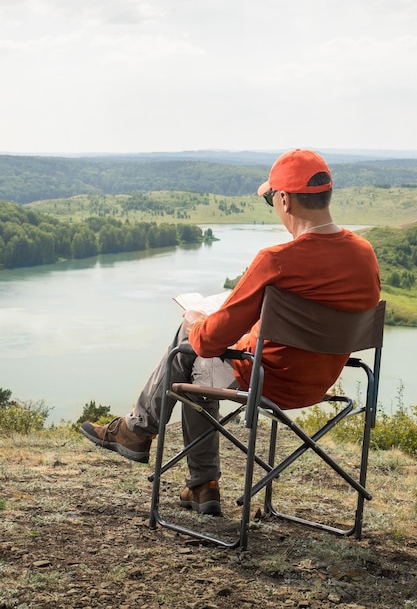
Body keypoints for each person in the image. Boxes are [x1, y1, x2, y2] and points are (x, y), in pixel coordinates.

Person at [81, 148, 381, 516]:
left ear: (285, 199)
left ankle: (152, 441)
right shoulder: (365, 254)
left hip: (266, 381)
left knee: (190, 348)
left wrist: (196, 320)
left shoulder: (276, 261)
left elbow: (208, 342)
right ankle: (186, 474)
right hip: (319, 382)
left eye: (272, 198)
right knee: (200, 352)